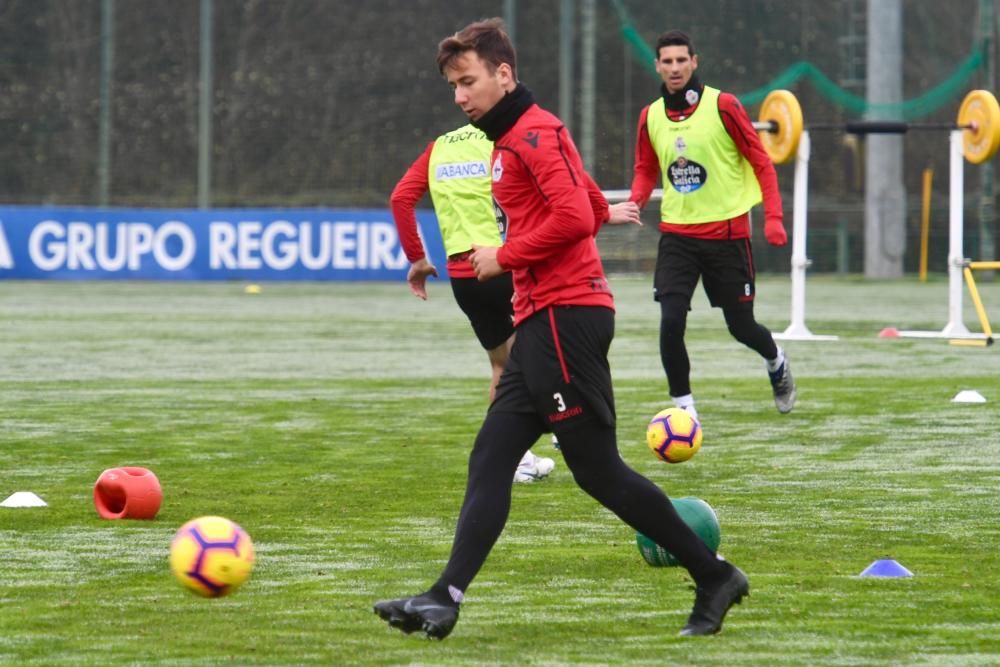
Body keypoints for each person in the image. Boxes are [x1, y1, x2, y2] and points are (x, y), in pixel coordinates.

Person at [374, 18, 748, 641]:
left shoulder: (532, 133)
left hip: (566, 315)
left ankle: (714, 575)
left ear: (504, 74)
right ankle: (444, 596)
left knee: (598, 471)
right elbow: (588, 203)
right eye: (452, 87)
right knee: (491, 457)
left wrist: (506, 254)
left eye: (468, 82)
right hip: (540, 317)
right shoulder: (509, 138)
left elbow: (574, 217)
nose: (460, 97)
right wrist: (602, 209)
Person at [628, 29, 795, 419]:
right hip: (677, 237)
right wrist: (634, 202)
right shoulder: (650, 116)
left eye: (681, 60)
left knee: (741, 327)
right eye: (666, 62)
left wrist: (774, 217)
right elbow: (644, 169)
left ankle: (776, 361)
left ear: (694, 62)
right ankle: (685, 412)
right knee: (670, 322)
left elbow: (760, 161)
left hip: (726, 236)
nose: (674, 68)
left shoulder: (724, 106)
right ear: (657, 66)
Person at [390, 123, 555, 483]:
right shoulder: (506, 139)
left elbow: (401, 198)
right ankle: (569, 431)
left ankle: (517, 458)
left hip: (465, 278)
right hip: (505, 263)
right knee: (551, 348)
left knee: (503, 365)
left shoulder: (441, 147)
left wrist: (417, 259)